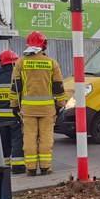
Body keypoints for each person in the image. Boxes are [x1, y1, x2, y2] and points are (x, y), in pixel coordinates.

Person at [10, 31, 67, 176]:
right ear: (44, 45)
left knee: (29, 137)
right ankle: (45, 167)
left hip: (28, 109)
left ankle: (30, 168)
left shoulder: (20, 63)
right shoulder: (51, 63)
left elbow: (15, 87)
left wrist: (14, 106)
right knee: (46, 137)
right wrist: (61, 104)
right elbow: (58, 86)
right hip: (47, 109)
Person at [0, 50, 25, 174]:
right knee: (17, 141)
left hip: (0, 119)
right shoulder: (20, 78)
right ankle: (19, 166)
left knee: (4, 142)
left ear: (1, 63)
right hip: (16, 117)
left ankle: (5, 167)